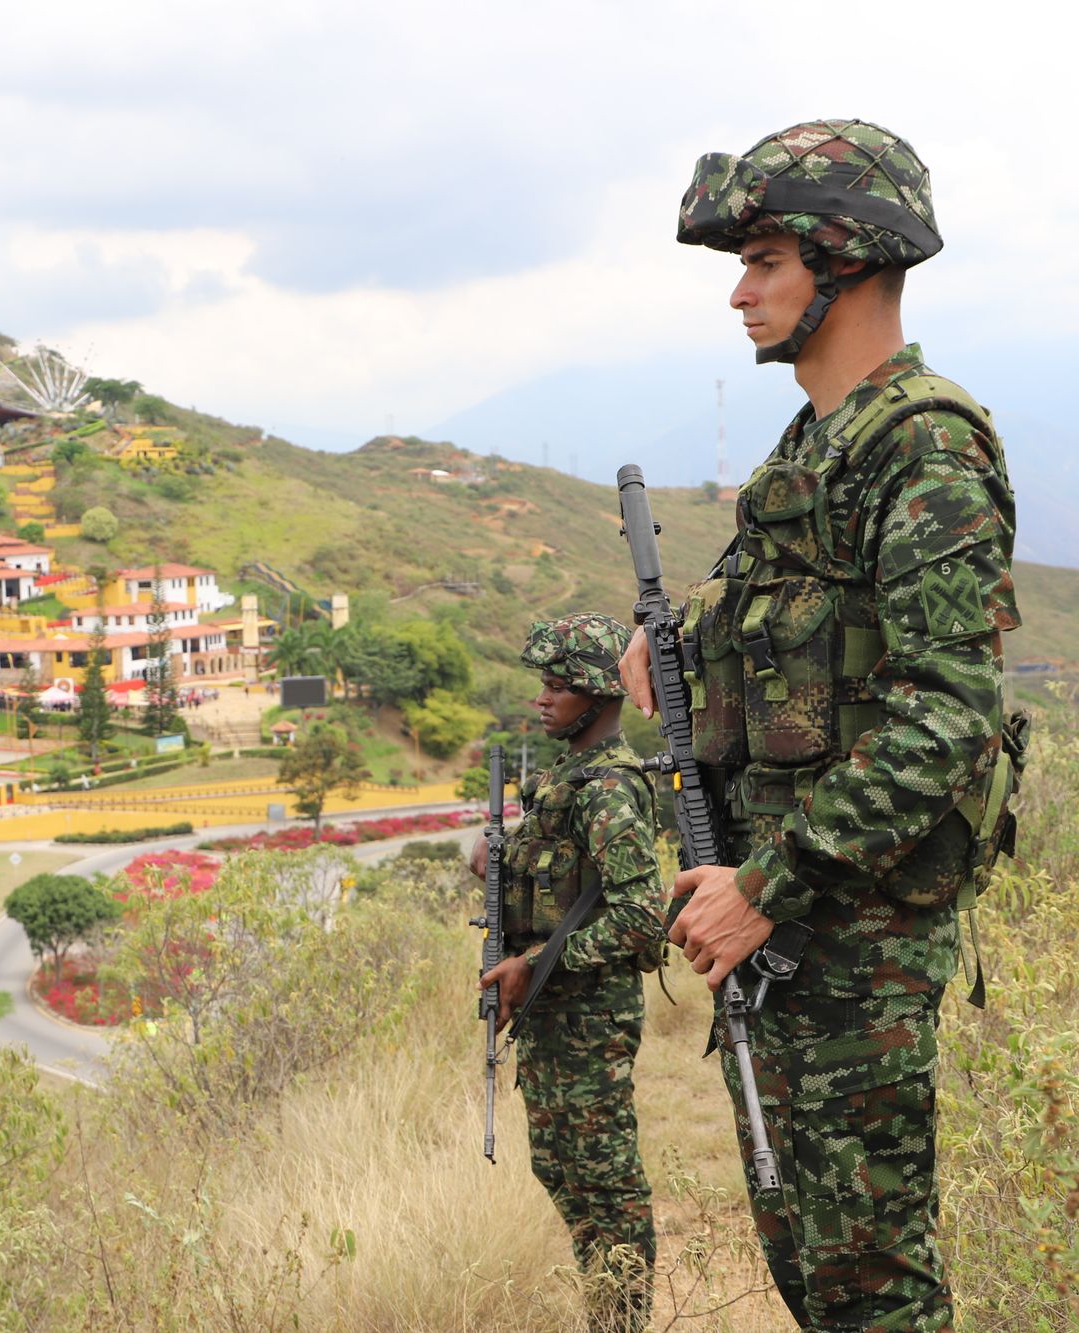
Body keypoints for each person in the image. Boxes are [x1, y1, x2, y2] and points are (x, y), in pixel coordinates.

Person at [622, 119, 1021, 1330]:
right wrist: (681, 629)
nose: (738, 293)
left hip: (851, 931)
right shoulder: (816, 444)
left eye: (762, 261)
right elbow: (801, 620)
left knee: (869, 1287)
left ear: (843, 262)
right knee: (809, 1267)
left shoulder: (920, 442)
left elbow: (944, 713)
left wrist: (764, 882)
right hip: (796, 929)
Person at [475, 614, 666, 1331]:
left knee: (605, 1187)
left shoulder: (609, 788)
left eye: (558, 687)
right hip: (554, 1017)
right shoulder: (566, 778)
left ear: (596, 695)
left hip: (589, 1018)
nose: (542, 699)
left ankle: (620, 1320)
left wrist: (536, 963)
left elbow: (641, 918)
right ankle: (607, 1312)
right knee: (562, 1172)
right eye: (542, 685)